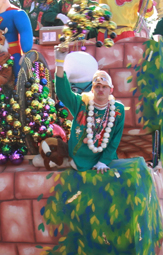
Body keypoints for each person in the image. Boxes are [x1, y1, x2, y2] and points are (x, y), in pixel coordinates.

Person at [53, 44, 125, 172]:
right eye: (97, 86)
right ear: (92, 89)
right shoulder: (82, 102)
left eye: (104, 87)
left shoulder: (118, 110)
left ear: (111, 90)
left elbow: (115, 140)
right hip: (77, 160)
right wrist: (60, 63)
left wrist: (103, 161)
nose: (101, 90)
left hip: (104, 161)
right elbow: (63, 92)